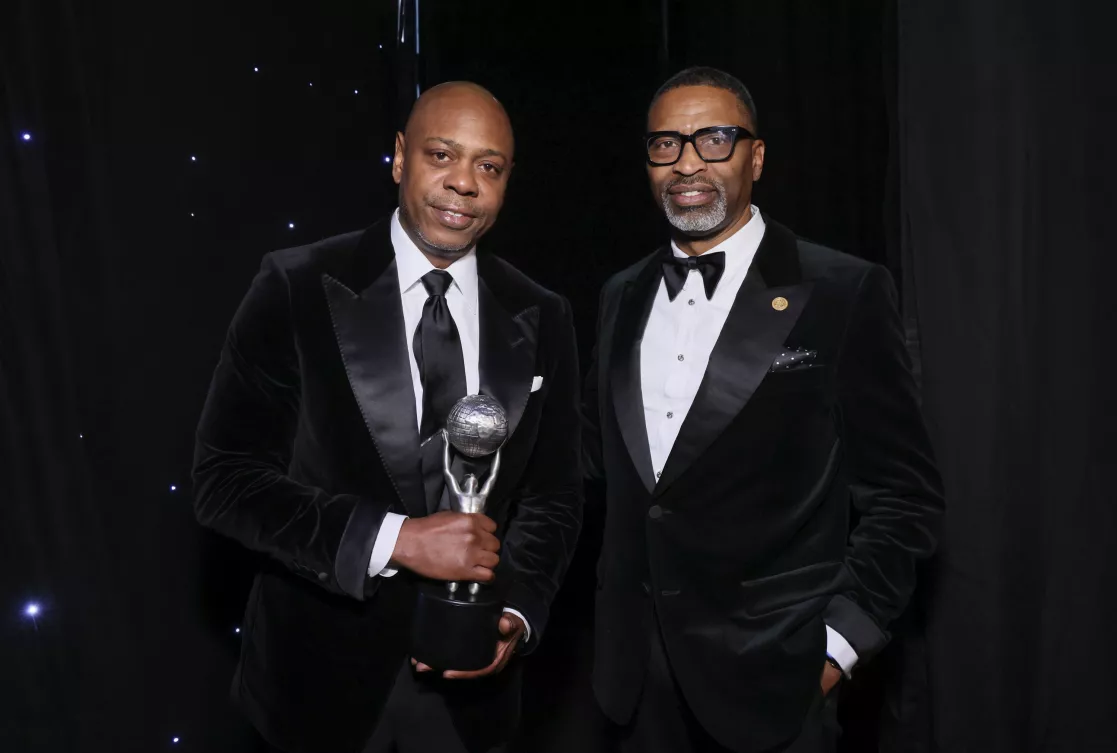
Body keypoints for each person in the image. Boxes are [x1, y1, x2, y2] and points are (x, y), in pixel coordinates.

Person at [192, 81, 582, 753]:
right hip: (313, 689)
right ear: (400, 157)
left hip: (475, 702)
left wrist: (515, 613)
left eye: (487, 167)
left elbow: (553, 494)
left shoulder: (542, 312)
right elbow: (224, 481)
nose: (463, 183)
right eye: (441, 155)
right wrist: (396, 538)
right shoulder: (295, 284)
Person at [582, 66, 945, 753]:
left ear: (755, 155)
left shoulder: (843, 289)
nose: (687, 161)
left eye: (714, 139)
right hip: (631, 683)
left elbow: (906, 497)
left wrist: (836, 646)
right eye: (665, 143)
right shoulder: (619, 293)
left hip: (775, 681)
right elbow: (597, 462)